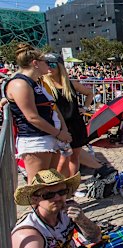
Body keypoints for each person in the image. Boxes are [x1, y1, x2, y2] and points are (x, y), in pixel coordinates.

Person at [4, 44, 72, 183]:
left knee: (51, 182)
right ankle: (40, 206)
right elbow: (32, 117)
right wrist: (59, 133)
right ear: (35, 63)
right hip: (36, 140)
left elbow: (54, 107)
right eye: (46, 62)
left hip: (49, 137)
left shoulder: (36, 83)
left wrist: (63, 130)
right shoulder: (20, 84)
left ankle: (53, 204)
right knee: (38, 187)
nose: (49, 65)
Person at [12, 169, 101, 247]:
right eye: (49, 195)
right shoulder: (30, 235)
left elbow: (96, 238)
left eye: (62, 192)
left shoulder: (66, 213)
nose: (58, 198)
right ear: (35, 199)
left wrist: (82, 220)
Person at [42, 53, 94, 177]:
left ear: (60, 66)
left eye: (52, 64)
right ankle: (60, 187)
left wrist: (85, 108)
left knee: (74, 158)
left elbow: (89, 93)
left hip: (75, 125)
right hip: (57, 127)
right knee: (61, 160)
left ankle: (72, 187)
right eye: (46, 64)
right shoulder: (43, 85)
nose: (49, 67)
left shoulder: (71, 84)